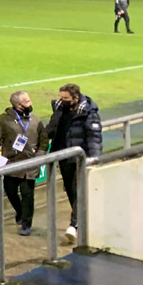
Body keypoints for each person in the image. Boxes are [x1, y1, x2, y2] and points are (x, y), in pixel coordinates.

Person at [0, 90, 50, 236]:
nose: (31, 103)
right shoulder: (4, 120)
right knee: (10, 191)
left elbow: (44, 141)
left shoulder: (36, 120)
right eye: (27, 102)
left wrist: (39, 157)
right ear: (18, 105)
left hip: (30, 164)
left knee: (28, 195)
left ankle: (26, 224)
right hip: (11, 163)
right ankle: (20, 211)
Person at [47, 83, 103, 243]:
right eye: (61, 97)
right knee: (71, 191)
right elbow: (52, 128)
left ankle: (74, 225)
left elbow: (94, 137)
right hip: (63, 156)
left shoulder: (88, 113)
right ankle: (81, 220)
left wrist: (94, 158)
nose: (62, 100)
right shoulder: (59, 108)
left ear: (75, 97)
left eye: (65, 98)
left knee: (79, 191)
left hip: (80, 157)